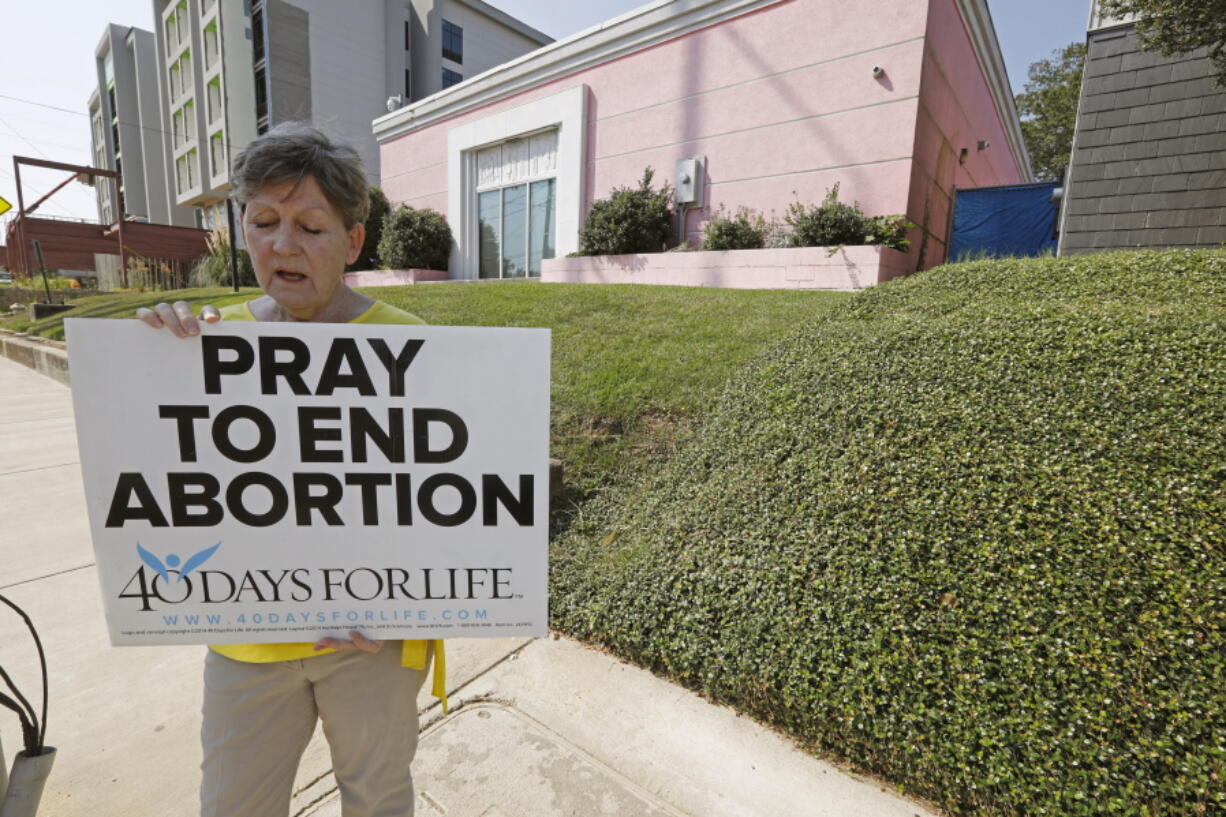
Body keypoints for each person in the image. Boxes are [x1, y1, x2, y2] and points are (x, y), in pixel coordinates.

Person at [137, 122, 444, 817]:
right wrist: (153, 361)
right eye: (264, 221)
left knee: (378, 799)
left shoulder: (409, 345)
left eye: (310, 225)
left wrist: (405, 603)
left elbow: (440, 502)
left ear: (352, 241)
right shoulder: (208, 340)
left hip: (373, 643)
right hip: (247, 642)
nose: (282, 244)